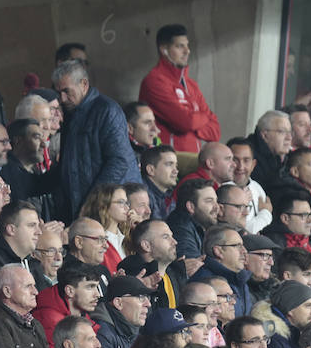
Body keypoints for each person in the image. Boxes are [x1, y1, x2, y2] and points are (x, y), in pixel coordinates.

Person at [51, 59, 140, 221]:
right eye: (58, 93)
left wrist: (92, 203)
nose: (62, 99)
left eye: (66, 91)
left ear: (84, 84)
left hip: (107, 207)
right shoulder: (70, 114)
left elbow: (119, 161)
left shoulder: (107, 110)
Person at [137, 24, 219, 154]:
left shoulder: (191, 85)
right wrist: (203, 118)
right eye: (180, 46)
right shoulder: (154, 82)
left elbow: (215, 132)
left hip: (193, 160)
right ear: (164, 49)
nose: (187, 51)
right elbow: (185, 122)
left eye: (187, 45)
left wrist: (193, 122)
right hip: (166, 162)